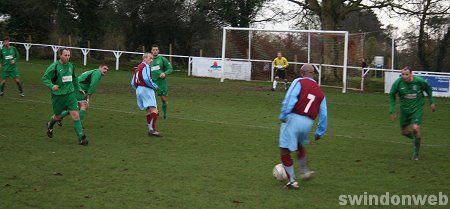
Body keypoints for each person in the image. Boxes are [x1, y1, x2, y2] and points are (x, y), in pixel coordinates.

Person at [278, 64, 327, 189]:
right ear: (313, 74)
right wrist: (320, 131)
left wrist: (284, 114)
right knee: (299, 145)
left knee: (284, 149)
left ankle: (292, 181)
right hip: (308, 123)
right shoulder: (319, 90)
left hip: (294, 118)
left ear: (302, 72)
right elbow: (324, 113)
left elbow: (290, 98)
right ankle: (305, 171)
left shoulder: (298, 81)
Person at [42, 48, 88, 145]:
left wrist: (79, 88)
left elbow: (74, 78)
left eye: (69, 55)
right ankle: (50, 125)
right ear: (60, 55)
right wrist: (52, 86)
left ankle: (81, 138)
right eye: (65, 55)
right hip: (58, 96)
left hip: (70, 95)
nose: (67, 57)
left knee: (75, 115)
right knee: (58, 116)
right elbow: (45, 78)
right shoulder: (54, 67)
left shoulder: (71, 66)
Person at [389, 66, 435, 160]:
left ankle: (416, 154)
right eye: (402, 74)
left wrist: (431, 102)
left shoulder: (419, 81)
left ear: (411, 74)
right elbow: (392, 95)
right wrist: (392, 110)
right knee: (404, 132)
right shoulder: (398, 83)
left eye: (406, 74)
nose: (404, 76)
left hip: (416, 109)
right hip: (404, 110)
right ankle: (417, 139)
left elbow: (428, 89)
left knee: (415, 129)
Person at [131, 52, 161, 137]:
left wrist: (138, 90)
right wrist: (154, 86)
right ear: (145, 58)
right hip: (146, 89)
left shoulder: (138, 68)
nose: (151, 60)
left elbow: (132, 83)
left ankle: (150, 129)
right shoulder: (146, 66)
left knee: (149, 111)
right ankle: (152, 130)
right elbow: (146, 78)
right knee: (154, 110)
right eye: (150, 58)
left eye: (152, 58)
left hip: (139, 90)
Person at [150, 44, 173, 119]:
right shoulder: (149, 60)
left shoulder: (162, 59)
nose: (155, 51)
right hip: (151, 82)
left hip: (161, 82)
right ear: (151, 51)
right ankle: (154, 112)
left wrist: (165, 73)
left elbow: (170, 68)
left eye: (156, 50)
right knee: (151, 99)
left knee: (163, 99)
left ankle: (165, 114)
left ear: (158, 51)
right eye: (154, 50)